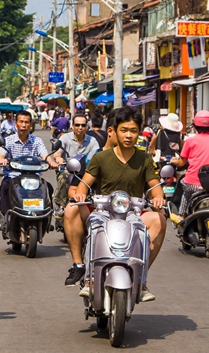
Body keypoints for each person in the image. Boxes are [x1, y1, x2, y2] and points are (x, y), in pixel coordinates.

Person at [62, 106, 166, 301]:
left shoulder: (144, 159)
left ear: (139, 133)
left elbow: (155, 188)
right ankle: (87, 278)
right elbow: (84, 185)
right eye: (124, 130)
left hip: (133, 213)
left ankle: (140, 280)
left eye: (133, 131)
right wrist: (79, 196)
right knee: (84, 220)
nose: (128, 135)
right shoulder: (100, 157)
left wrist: (158, 198)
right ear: (114, 131)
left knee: (159, 220)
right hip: (103, 211)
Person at [0, 111, 53, 233]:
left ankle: (47, 217)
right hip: (13, 176)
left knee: (48, 187)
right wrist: (2, 160)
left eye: (26, 122)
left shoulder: (36, 141)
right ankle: (6, 216)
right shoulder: (9, 140)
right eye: (21, 122)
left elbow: (45, 155)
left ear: (30, 124)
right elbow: (0, 155)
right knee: (4, 187)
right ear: (16, 123)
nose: (23, 125)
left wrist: (51, 162)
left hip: (34, 177)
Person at [174, 111, 209, 214]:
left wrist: (173, 162)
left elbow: (181, 163)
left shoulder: (190, 141)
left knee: (183, 186)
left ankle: (181, 214)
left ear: (195, 126)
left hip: (192, 184)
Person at [48, 114, 101, 215]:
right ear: (72, 126)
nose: (80, 128)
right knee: (63, 176)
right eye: (77, 125)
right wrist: (58, 158)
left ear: (87, 126)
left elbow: (97, 155)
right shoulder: (65, 138)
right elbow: (57, 153)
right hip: (68, 169)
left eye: (83, 125)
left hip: (86, 171)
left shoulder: (92, 140)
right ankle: (61, 206)